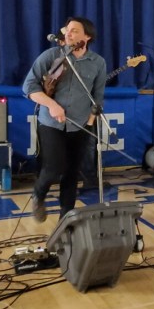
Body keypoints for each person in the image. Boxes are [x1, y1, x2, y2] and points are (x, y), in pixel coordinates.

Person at [23, 17, 106, 222]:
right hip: (51, 123)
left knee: (71, 174)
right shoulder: (51, 55)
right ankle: (38, 194)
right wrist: (52, 105)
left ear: (87, 36)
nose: (68, 34)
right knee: (53, 168)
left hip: (80, 126)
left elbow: (97, 98)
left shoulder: (98, 63)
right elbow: (29, 87)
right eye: (68, 30)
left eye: (75, 31)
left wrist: (89, 123)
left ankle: (65, 220)